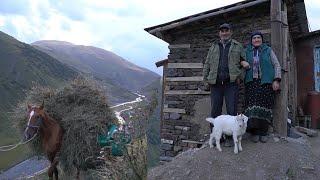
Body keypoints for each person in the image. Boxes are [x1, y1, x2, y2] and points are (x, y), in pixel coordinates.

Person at [203, 23, 249, 146]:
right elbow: (207, 64)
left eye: (226, 30)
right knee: (215, 111)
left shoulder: (238, 46)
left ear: (231, 32)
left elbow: (244, 63)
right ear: (219, 33)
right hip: (216, 83)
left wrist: (240, 77)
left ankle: (230, 138)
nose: (224, 33)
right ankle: (216, 137)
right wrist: (205, 80)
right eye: (222, 31)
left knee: (232, 111)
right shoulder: (213, 47)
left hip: (231, 84)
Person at [244, 31, 281, 143]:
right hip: (251, 82)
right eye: (254, 38)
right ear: (251, 41)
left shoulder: (268, 50)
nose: (256, 40)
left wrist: (276, 80)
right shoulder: (247, 51)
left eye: (258, 38)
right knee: (252, 107)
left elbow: (276, 65)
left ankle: (263, 132)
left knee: (265, 106)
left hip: (265, 82)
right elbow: (240, 62)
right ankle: (254, 132)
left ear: (262, 39)